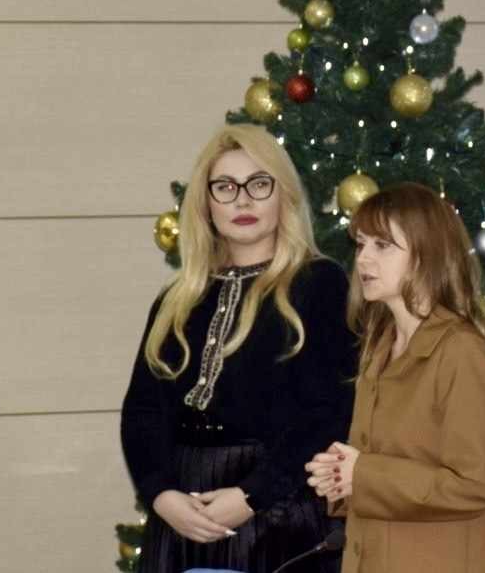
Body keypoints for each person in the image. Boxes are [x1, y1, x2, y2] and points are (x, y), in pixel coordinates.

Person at [122, 124, 356, 573]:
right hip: (182, 512)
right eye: (226, 187)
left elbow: (328, 410)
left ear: (283, 196)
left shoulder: (319, 283)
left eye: (259, 184)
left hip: (279, 511)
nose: (242, 201)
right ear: (206, 203)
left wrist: (253, 496)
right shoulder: (177, 298)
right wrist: (161, 494)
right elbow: (142, 411)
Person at [304, 182, 485, 573]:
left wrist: (363, 474)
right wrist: (342, 479)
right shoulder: (379, 349)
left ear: (427, 254)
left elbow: (474, 485)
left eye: (382, 245)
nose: (363, 259)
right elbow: (385, 471)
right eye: (361, 244)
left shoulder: (462, 352)